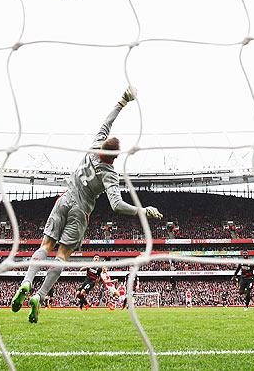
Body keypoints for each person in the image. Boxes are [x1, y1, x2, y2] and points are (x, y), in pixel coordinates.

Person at [10, 87, 163, 324]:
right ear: (115, 158)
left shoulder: (94, 147)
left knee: (46, 245)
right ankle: (39, 295)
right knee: (62, 255)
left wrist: (122, 101)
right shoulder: (110, 174)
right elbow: (117, 206)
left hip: (65, 199)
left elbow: (106, 123)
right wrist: (142, 211)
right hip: (80, 212)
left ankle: (27, 281)